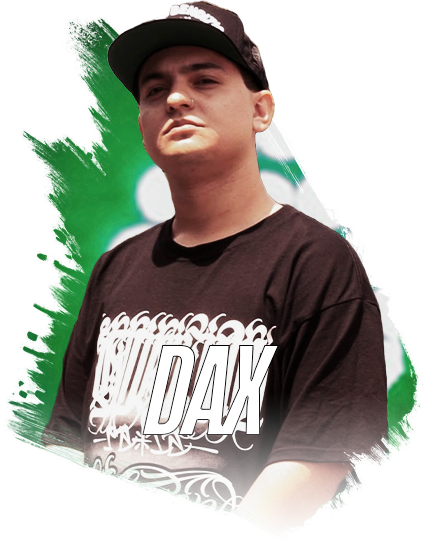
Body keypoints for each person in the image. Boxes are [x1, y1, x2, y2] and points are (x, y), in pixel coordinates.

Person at [41, 0, 389, 541]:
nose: (176, 98)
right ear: (142, 123)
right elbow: (66, 439)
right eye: (154, 89)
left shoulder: (317, 263)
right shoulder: (116, 268)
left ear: (261, 111)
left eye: (204, 80)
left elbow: (321, 457)